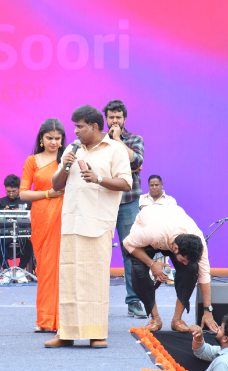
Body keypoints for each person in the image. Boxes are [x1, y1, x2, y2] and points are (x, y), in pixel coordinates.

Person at [45, 105, 132, 349]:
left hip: (98, 223)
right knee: (69, 280)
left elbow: (126, 183)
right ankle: (66, 333)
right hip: (72, 223)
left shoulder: (115, 149)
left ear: (94, 126)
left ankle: (96, 334)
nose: (75, 131)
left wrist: (99, 179)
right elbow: (56, 185)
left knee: (95, 280)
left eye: (79, 127)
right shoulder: (72, 149)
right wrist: (65, 166)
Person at [123, 205, 218, 333]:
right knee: (139, 270)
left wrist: (208, 311)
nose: (184, 263)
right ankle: (155, 319)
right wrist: (152, 264)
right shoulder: (152, 233)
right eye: (183, 260)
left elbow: (204, 276)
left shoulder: (199, 243)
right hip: (152, 227)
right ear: (175, 249)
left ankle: (177, 320)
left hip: (172, 221)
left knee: (191, 268)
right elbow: (127, 243)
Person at [19, 118, 66, 333]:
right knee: (46, 269)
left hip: (64, 218)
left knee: (63, 269)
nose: (54, 142)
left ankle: (64, 320)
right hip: (42, 219)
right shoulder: (33, 161)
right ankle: (46, 320)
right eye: (49, 138)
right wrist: (48, 193)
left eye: (57, 138)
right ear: (41, 139)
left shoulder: (67, 159)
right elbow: (23, 193)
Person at [103, 100, 146, 319]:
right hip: (102, 202)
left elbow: (137, 161)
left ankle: (133, 300)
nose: (114, 121)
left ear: (125, 118)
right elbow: (101, 169)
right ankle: (96, 300)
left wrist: (118, 140)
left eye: (118, 117)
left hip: (128, 202)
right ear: (105, 118)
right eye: (111, 117)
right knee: (98, 250)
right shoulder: (99, 141)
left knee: (130, 251)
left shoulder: (134, 139)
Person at [0, 174, 33, 284]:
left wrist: (21, 213)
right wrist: (3, 213)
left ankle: (20, 271)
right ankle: (7, 271)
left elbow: (35, 219)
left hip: (23, 234)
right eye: (8, 192)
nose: (11, 194)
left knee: (30, 241)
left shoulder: (27, 201)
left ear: (19, 188)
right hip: (5, 235)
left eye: (14, 191)